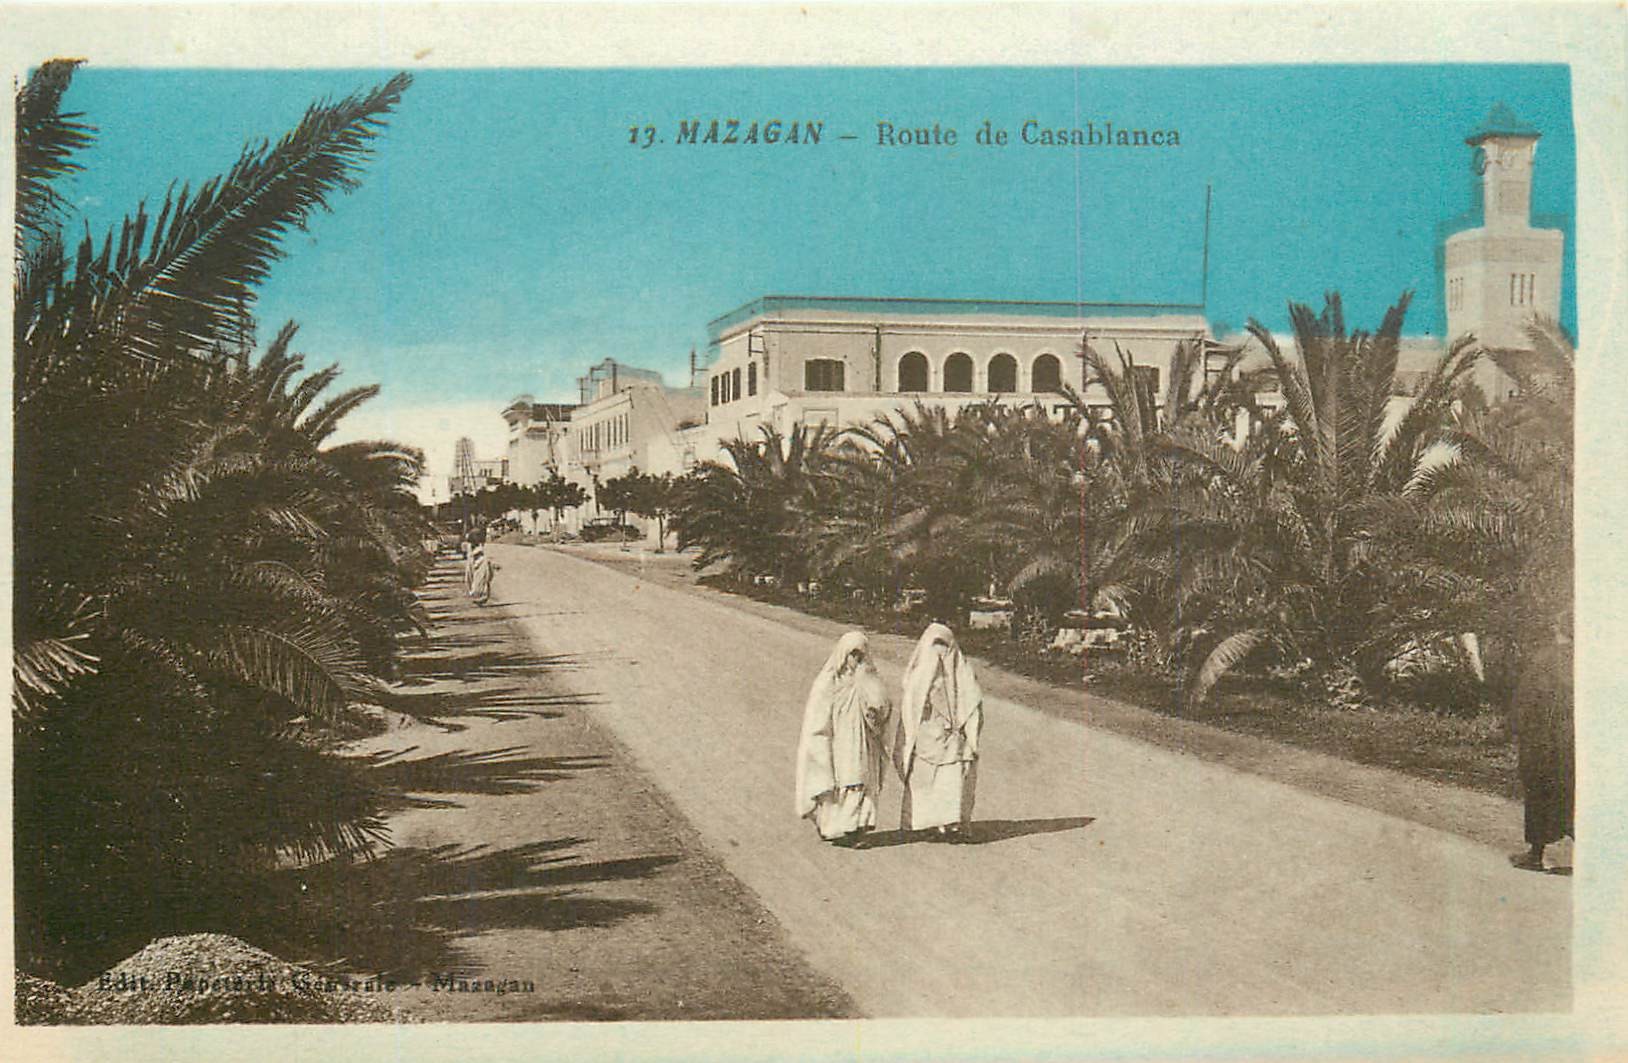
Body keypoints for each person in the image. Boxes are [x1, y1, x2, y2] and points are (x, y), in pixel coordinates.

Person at [794, 632, 893, 848]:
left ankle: (856, 829)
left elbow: (882, 708)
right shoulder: (828, 682)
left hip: (864, 743)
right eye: (852, 654)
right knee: (844, 782)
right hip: (840, 743)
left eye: (861, 655)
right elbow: (818, 720)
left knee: (861, 781)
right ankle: (838, 827)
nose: (856, 659)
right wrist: (820, 746)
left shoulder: (869, 680)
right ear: (843, 654)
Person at [895, 623, 983, 842]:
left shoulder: (964, 674)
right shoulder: (919, 675)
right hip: (927, 737)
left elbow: (973, 705)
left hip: (953, 739)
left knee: (951, 781)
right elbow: (910, 708)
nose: (940, 651)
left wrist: (969, 731)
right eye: (935, 645)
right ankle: (925, 823)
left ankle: (951, 824)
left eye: (944, 645)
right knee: (925, 780)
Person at [1510, 615, 1574, 872]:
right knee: (1573, 793)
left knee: (1538, 790)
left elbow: (1527, 698)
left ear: (1557, 628)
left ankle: (1536, 855)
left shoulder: (1545, 659)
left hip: (1543, 738)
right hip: (1574, 740)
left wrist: (1515, 728)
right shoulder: (1590, 660)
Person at [468, 540, 494, 605]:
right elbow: (490, 572)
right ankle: (481, 598)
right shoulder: (486, 561)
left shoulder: (473, 563)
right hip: (483, 582)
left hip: (476, 583)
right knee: (483, 587)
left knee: (477, 586)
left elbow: (469, 575)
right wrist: (489, 578)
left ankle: (477, 597)